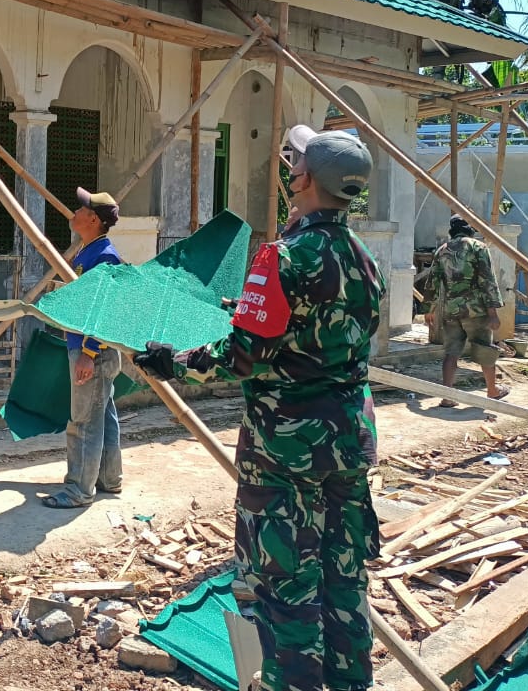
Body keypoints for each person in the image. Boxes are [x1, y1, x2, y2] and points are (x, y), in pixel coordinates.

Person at [136, 125, 385, 691]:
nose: (287, 174)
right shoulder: (362, 257)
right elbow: (323, 329)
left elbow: (246, 355)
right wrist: (241, 306)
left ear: (303, 179)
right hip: (347, 441)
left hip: (285, 451)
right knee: (344, 580)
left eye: (293, 166)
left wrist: (177, 360)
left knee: (286, 586)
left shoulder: (283, 256)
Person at [41, 187, 124, 509]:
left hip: (95, 352)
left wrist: (88, 354)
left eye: (80, 209)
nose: (73, 213)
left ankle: (79, 490)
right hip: (95, 350)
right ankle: (108, 479)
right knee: (103, 417)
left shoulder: (103, 256)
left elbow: (105, 311)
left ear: (92, 219)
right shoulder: (88, 251)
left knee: (83, 423)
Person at [421, 214, 508, 406]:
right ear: (470, 227)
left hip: (451, 310)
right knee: (484, 348)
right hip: (476, 310)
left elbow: (432, 282)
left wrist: (430, 309)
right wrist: (493, 313)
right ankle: (492, 391)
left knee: (451, 352)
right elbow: (488, 281)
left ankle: (447, 396)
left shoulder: (442, 250)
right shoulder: (478, 247)